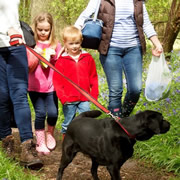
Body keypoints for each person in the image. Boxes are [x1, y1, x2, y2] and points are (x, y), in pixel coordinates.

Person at [75, 0, 163, 118]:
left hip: (133, 48)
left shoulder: (137, 1)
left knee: (135, 89)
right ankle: (116, 124)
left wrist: (157, 44)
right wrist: (71, 39)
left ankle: (123, 119)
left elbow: (146, 23)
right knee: (115, 90)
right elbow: (83, 17)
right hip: (110, 49)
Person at [0, 0, 43, 169]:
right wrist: (6, 29)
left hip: (16, 45)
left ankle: (27, 146)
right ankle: (6, 143)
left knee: (19, 95)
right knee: (2, 97)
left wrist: (14, 30)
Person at [53, 26, 99, 139]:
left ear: (81, 42)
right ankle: (66, 139)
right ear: (65, 43)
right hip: (69, 99)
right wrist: (63, 97)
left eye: (77, 43)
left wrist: (94, 95)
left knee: (87, 120)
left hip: (84, 97)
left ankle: (87, 140)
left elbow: (93, 77)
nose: (74, 46)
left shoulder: (87, 58)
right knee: (69, 121)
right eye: (71, 43)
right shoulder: (61, 61)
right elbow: (57, 82)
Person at [28, 12, 61, 155]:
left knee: (53, 113)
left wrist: (53, 57)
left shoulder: (56, 44)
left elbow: (60, 65)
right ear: (35, 28)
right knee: (40, 113)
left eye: (46, 30)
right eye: (40, 29)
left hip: (51, 86)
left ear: (51, 29)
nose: (43, 32)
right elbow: (28, 66)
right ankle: (40, 142)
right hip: (34, 86)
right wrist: (37, 55)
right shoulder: (31, 45)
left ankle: (50, 134)